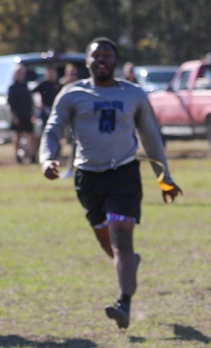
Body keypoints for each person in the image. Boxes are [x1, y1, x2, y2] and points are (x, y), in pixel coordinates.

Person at [40, 37, 182, 330]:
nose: (102, 59)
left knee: (121, 240)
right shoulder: (71, 94)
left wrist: (164, 175)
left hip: (124, 174)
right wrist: (47, 159)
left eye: (107, 55)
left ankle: (123, 304)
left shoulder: (134, 95)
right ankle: (130, 264)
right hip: (87, 177)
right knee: (109, 244)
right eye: (96, 55)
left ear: (115, 61)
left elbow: (151, 137)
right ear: (87, 61)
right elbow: (52, 129)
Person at [8, 64, 36, 164]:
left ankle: (32, 156)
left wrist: (33, 114)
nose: (21, 74)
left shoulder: (26, 86)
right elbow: (11, 103)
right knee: (17, 136)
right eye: (19, 72)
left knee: (31, 135)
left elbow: (30, 102)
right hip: (18, 115)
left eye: (22, 72)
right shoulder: (12, 87)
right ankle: (17, 157)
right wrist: (14, 116)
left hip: (27, 114)